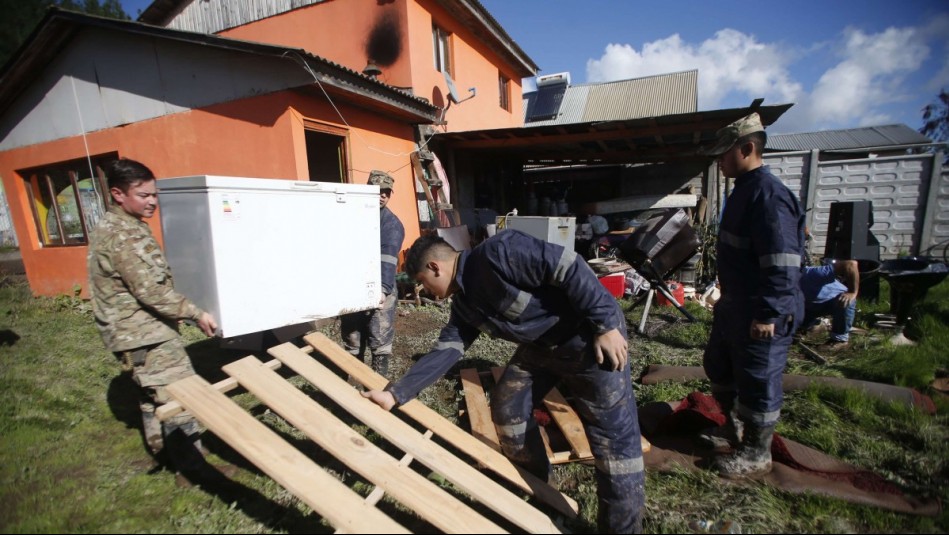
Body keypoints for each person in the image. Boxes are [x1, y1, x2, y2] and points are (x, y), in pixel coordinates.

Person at [362, 231, 646, 533]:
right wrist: (396, 394)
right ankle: (543, 492)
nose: (427, 291)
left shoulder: (499, 251)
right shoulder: (464, 305)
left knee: (614, 444)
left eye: (424, 282)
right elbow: (447, 351)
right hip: (543, 348)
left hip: (589, 340)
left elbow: (568, 265)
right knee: (508, 407)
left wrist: (605, 324)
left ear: (435, 267)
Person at [87, 158, 230, 484]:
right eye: (143, 195)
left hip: (128, 333)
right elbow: (150, 290)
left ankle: (160, 449)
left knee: (152, 394)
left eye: (154, 194)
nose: (152, 201)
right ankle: (193, 468)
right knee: (182, 395)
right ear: (118, 194)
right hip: (144, 333)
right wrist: (196, 313)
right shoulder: (126, 237)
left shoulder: (113, 226)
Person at [699, 112, 805, 478]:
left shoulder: (769, 196)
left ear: (747, 149)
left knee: (758, 379)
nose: (719, 160)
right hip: (735, 305)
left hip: (761, 309)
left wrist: (769, 314)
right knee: (719, 365)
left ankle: (757, 453)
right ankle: (733, 429)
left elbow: (783, 263)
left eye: (724, 153)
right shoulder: (743, 190)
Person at [340, 170, 405, 378]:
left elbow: (387, 259)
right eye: (378, 190)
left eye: (386, 191)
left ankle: (378, 379)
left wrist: (383, 289)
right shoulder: (352, 216)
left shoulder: (392, 225)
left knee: (379, 332)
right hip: (354, 281)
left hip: (381, 283)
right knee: (352, 332)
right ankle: (352, 375)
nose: (382, 195)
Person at [799, 259, 859, 348]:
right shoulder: (777, 281)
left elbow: (851, 264)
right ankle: (815, 325)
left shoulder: (811, 273)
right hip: (810, 305)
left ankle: (839, 339)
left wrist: (853, 292)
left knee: (846, 301)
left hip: (832, 301)